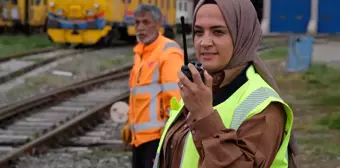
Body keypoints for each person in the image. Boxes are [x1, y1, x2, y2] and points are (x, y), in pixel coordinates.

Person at [152, 0, 299, 168]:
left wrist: (204, 117)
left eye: (218, 32)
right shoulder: (201, 89)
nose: (204, 42)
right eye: (199, 32)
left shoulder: (265, 108)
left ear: (242, 35)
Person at [121, 4, 184, 168]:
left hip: (157, 139)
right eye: (137, 22)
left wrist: (169, 134)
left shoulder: (168, 52)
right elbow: (139, 97)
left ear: (158, 24)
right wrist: (130, 123)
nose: (140, 27)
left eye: (146, 22)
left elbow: (175, 98)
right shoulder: (141, 52)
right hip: (139, 138)